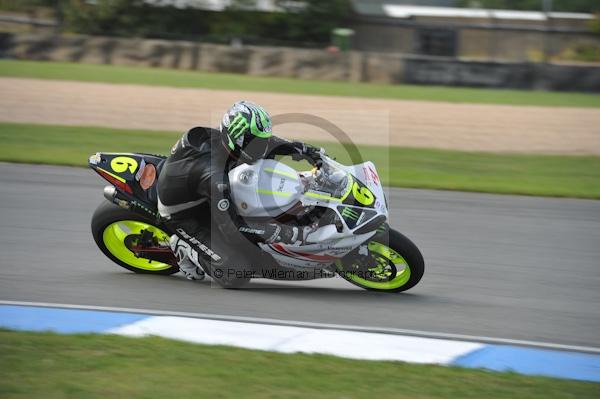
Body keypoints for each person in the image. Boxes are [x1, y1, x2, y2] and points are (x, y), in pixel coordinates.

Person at [156, 101, 324, 280]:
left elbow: (271, 144)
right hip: (185, 216)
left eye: (262, 140)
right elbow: (232, 229)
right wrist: (279, 232)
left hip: (197, 188)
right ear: (236, 139)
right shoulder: (215, 177)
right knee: (235, 272)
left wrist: (307, 151)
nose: (263, 146)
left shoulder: (224, 140)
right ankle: (183, 247)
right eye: (257, 142)